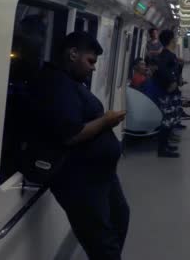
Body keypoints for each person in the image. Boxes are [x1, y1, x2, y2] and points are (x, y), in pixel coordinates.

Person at [28, 32, 129, 260]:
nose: (93, 68)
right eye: (90, 61)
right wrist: (107, 120)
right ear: (73, 54)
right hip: (79, 180)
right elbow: (70, 135)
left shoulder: (73, 81)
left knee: (120, 218)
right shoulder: (55, 85)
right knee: (103, 245)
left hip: (101, 175)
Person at [154, 30, 181, 158]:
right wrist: (172, 81)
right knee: (167, 120)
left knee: (171, 119)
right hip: (167, 92)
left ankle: (166, 145)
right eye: (174, 39)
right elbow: (163, 71)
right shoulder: (166, 55)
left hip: (172, 91)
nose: (175, 41)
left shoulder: (169, 54)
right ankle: (162, 149)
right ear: (171, 40)